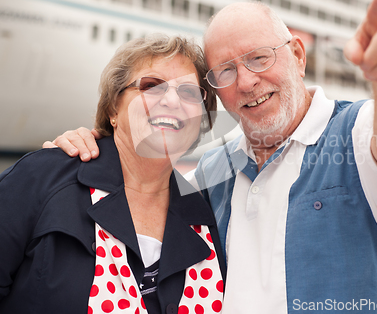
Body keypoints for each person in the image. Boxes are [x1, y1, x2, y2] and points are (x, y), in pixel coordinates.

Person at [44, 0, 377, 313]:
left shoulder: (353, 133)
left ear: (298, 57)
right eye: (226, 72)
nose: (247, 82)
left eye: (259, 58)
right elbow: (140, 199)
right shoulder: (212, 168)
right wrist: (91, 147)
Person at [0, 35, 226, 314]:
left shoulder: (207, 216)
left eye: (190, 93)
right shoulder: (43, 179)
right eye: (151, 86)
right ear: (112, 109)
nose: (172, 100)